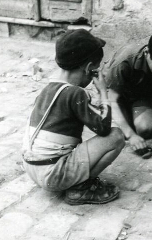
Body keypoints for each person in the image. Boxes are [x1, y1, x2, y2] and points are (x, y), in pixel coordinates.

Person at [22, 29, 125, 205]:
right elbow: (103, 128)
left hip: (32, 169)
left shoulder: (48, 88)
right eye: (95, 70)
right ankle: (80, 189)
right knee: (116, 136)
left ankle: (73, 178)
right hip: (53, 175)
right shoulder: (74, 93)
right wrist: (102, 92)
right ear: (88, 68)